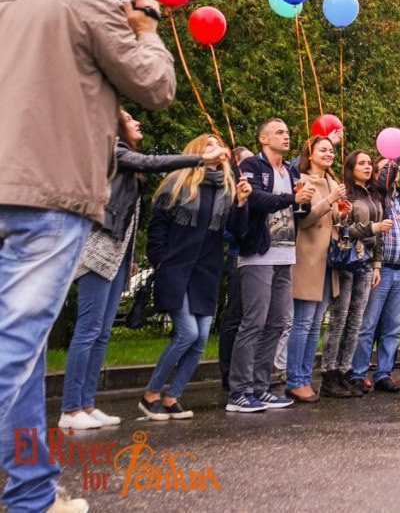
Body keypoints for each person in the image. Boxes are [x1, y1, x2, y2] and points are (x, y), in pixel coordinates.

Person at [0, 0, 176, 513]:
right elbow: (155, 86)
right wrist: (148, 30)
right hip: (45, 194)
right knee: (12, 346)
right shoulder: (86, 2)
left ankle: (30, 493)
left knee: (20, 351)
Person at [60, 111, 223, 430]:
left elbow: (126, 218)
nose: (138, 123)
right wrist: (199, 158)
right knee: (89, 329)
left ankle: (87, 404)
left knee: (102, 332)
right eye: (131, 119)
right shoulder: (113, 151)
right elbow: (150, 163)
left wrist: (131, 256)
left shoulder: (129, 167)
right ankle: (70, 407)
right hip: (99, 250)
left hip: (118, 254)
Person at [140, 136, 251, 420]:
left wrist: (240, 204)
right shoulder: (178, 182)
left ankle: (172, 397)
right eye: (209, 144)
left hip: (206, 271)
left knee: (201, 338)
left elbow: (235, 233)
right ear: (196, 152)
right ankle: (150, 395)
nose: (217, 149)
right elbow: (158, 227)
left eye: (219, 145)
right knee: (187, 332)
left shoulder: (225, 189)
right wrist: (159, 260)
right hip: (176, 267)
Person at [227, 119, 315, 413]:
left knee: (277, 323)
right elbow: (256, 198)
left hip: (285, 254)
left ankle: (261, 387)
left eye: (288, 132)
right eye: (279, 132)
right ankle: (239, 391)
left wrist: (305, 202)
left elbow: (296, 211)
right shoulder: (253, 165)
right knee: (253, 322)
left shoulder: (290, 170)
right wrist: (292, 197)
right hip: (258, 254)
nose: (286, 135)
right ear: (263, 138)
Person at [353, 159, 400, 393]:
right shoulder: (375, 198)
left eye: (393, 168)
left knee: (393, 327)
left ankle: (383, 374)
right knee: (368, 325)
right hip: (381, 268)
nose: (391, 171)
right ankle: (357, 373)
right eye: (385, 168)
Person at [285, 136, 349, 403]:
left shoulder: (332, 182)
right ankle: (294, 380)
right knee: (302, 322)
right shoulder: (301, 180)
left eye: (331, 150)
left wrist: (342, 212)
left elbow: (332, 218)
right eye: (323, 149)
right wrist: (330, 200)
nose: (329, 154)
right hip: (307, 258)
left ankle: (305, 378)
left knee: (314, 324)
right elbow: (304, 219)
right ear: (309, 154)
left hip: (328, 260)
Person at [331, 150, 389, 396]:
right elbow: (341, 227)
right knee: (340, 318)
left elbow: (381, 235)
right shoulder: (345, 193)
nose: (367, 167)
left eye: (369, 163)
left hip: (366, 263)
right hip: (347, 260)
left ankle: (346, 373)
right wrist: (373, 227)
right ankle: (330, 374)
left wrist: (377, 264)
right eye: (361, 163)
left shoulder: (374, 196)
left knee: (356, 321)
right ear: (350, 167)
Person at [219, 145, 257, 390]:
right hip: (237, 257)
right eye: (249, 164)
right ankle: (228, 375)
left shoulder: (254, 189)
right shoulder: (230, 193)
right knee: (235, 316)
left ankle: (247, 372)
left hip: (256, 258)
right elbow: (226, 232)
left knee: (253, 318)